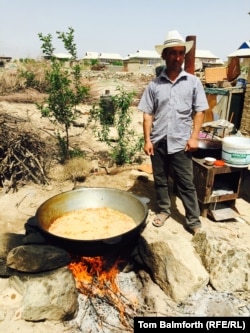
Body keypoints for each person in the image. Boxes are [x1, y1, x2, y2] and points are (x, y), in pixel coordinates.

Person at [138, 30, 209, 235]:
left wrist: (194, 137)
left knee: (186, 183)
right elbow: (148, 115)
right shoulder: (154, 85)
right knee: (160, 179)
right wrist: (147, 140)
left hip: (181, 142)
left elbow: (200, 111)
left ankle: (193, 220)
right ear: (164, 55)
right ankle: (163, 210)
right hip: (159, 141)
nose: (178, 57)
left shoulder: (193, 82)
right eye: (173, 53)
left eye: (181, 53)